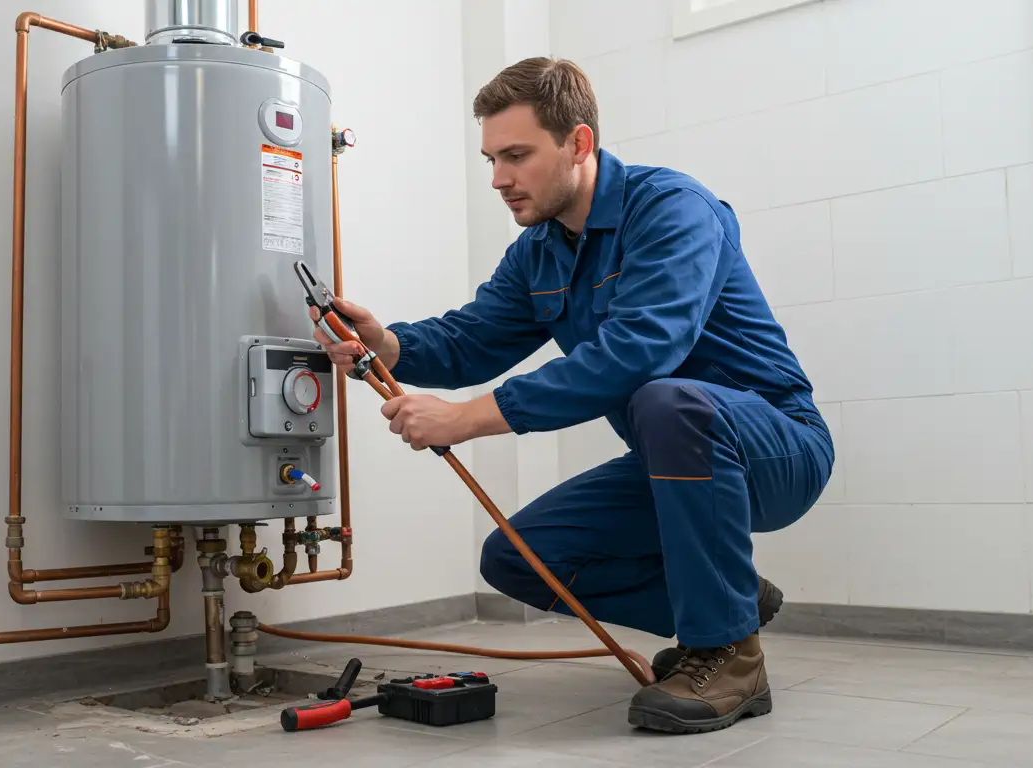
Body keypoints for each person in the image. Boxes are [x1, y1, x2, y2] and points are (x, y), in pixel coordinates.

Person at [311, 56, 832, 734]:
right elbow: (474, 337)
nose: (499, 179)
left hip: (776, 449)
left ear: (578, 142)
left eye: (517, 156)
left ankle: (729, 654)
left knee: (667, 400)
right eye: (491, 159)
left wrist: (466, 419)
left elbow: (642, 349)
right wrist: (388, 345)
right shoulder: (540, 251)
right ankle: (729, 603)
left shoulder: (673, 209)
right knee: (520, 558)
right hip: (673, 460)